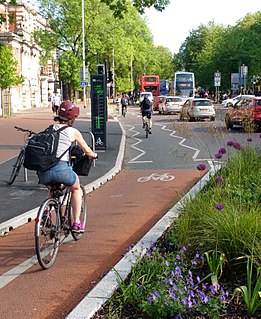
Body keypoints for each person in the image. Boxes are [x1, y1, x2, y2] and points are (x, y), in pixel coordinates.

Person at [37, 100, 97, 232]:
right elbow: (87, 150)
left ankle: (46, 211)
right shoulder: (73, 131)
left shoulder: (49, 128)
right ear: (73, 117)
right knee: (76, 188)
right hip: (61, 169)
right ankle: (76, 223)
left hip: (43, 172)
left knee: (53, 187)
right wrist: (93, 155)